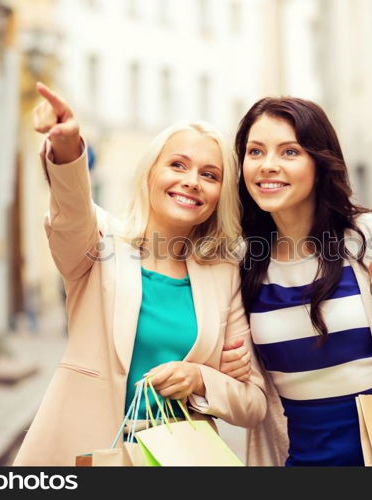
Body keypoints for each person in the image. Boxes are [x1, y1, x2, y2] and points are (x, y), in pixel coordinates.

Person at [13, 83, 266, 466]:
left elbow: (253, 403)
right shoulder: (100, 244)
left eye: (210, 175)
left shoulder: (224, 276)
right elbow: (71, 209)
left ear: (219, 196)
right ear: (151, 173)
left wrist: (200, 379)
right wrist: (67, 148)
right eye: (177, 165)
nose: (192, 181)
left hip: (179, 461)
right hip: (87, 453)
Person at [220, 97, 372, 466]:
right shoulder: (240, 264)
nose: (268, 166)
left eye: (289, 152)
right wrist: (230, 370)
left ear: (319, 161)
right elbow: (247, 398)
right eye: (255, 152)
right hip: (296, 460)